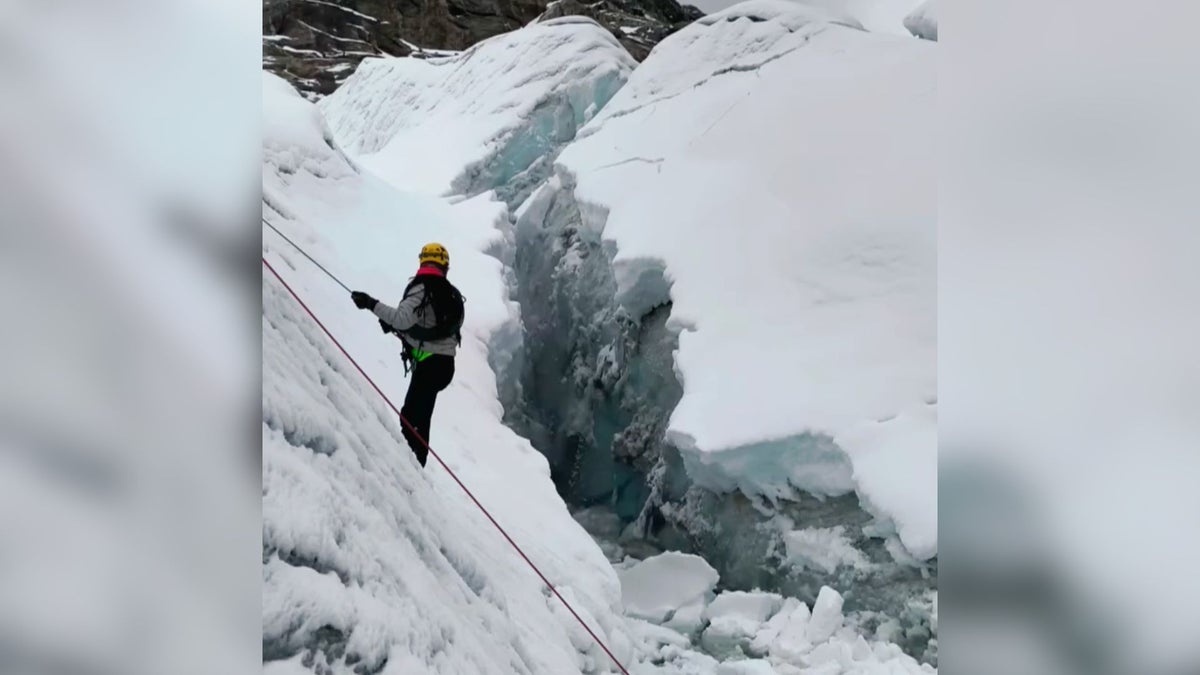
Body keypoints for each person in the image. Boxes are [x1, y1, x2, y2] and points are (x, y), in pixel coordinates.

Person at [350, 243, 464, 467]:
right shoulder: (448, 293)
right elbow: (430, 328)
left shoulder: (421, 290)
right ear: (444, 266)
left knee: (411, 419)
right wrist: (397, 329)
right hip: (443, 365)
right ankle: (414, 463)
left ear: (423, 262)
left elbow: (403, 319)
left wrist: (371, 304)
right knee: (419, 418)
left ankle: (412, 466)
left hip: (429, 366)